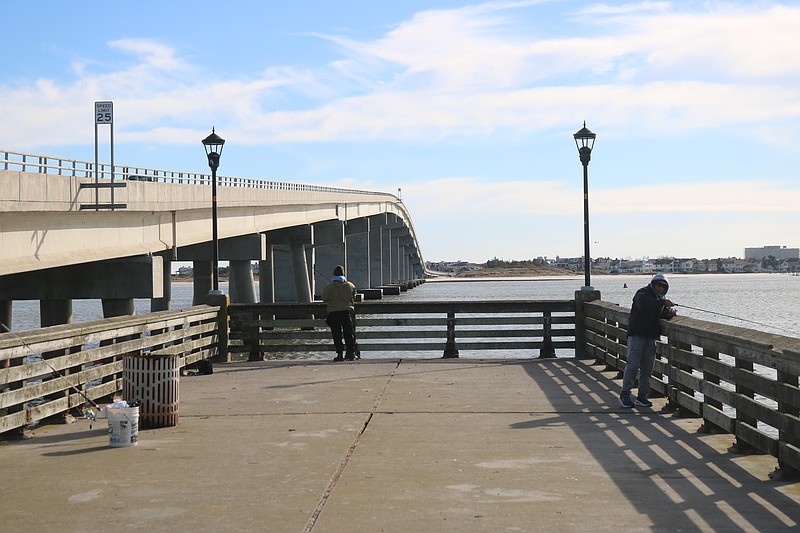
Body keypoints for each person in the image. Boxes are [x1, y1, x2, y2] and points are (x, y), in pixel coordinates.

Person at [620, 273, 677, 408]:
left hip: (651, 338)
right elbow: (644, 305)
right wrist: (663, 302)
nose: (660, 288)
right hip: (637, 336)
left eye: (663, 286)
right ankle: (625, 394)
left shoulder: (659, 300)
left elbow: (659, 313)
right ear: (653, 284)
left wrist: (669, 313)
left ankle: (642, 396)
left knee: (647, 369)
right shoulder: (642, 293)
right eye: (658, 285)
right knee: (632, 366)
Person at [322, 265, 357, 362]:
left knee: (337, 334)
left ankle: (340, 354)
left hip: (334, 313)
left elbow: (324, 298)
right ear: (343, 274)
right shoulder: (350, 285)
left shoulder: (330, 286)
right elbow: (354, 296)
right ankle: (351, 354)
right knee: (349, 333)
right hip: (347, 312)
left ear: (334, 274)